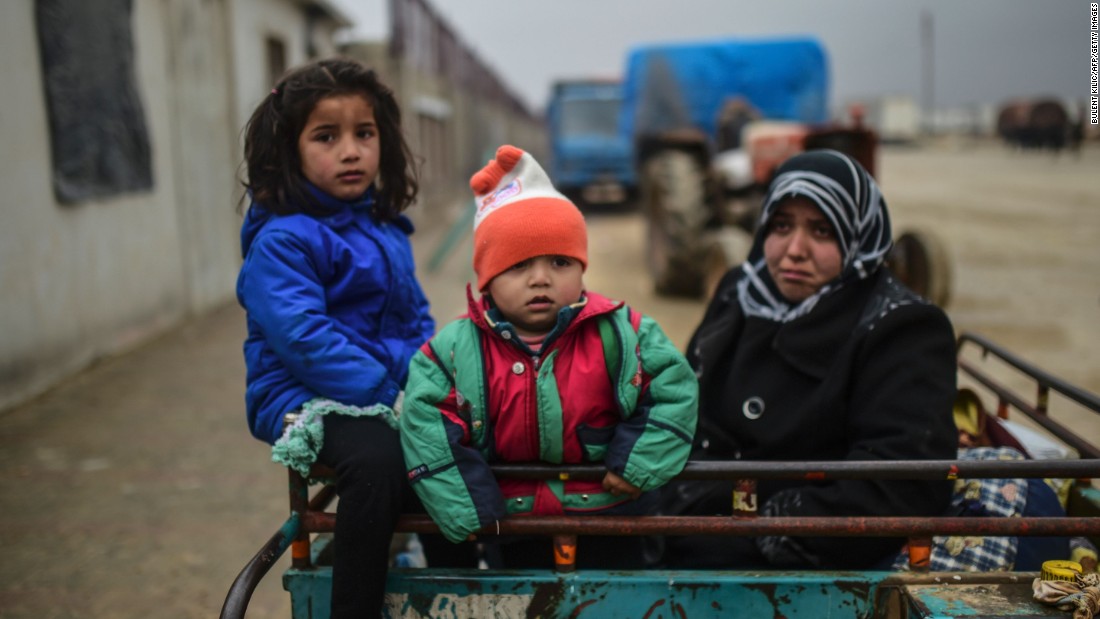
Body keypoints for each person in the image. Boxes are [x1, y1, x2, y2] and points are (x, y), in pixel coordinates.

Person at [399, 145, 698, 568]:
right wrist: (466, 505)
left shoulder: (624, 333)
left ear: (581, 268)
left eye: (559, 261)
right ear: (487, 279)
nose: (541, 279)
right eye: (518, 265)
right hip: (512, 523)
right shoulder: (451, 353)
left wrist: (639, 465)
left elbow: (675, 390)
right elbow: (424, 421)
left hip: (610, 513)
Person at [660, 148, 959, 570]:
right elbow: (686, 406)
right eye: (781, 226)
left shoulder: (901, 328)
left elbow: (899, 486)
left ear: (859, 237)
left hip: (785, 552)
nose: (794, 250)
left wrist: (755, 533)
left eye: (821, 231)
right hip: (690, 510)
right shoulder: (738, 291)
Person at [235, 58, 434, 617]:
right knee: (377, 461)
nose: (351, 151)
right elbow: (304, 337)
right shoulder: (283, 241)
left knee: (455, 439)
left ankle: (457, 581)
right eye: (327, 136)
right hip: (304, 395)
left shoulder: (387, 230)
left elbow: (417, 323)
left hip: (382, 391)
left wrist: (433, 381)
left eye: (364, 134)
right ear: (289, 150)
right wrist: (388, 393)